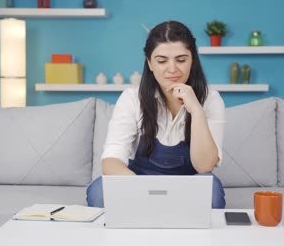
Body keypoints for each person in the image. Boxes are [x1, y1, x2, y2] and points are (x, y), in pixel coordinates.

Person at [86, 21, 226, 208]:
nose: (172, 68)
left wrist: (197, 111)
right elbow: (111, 161)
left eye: (181, 60)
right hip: (137, 185)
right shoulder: (132, 98)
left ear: (192, 60)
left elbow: (204, 166)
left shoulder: (211, 99)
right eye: (162, 61)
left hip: (186, 188)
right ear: (150, 63)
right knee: (99, 189)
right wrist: (147, 192)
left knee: (212, 189)